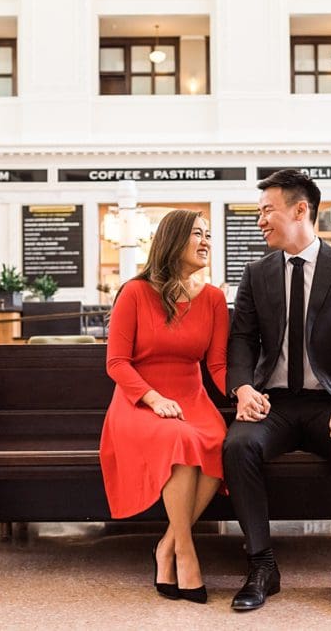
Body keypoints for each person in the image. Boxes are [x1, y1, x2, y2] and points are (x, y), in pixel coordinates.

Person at [224, 169, 331, 614]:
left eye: (266, 210)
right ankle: (261, 565)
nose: (260, 221)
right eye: (259, 212)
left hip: (329, 403)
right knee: (237, 445)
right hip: (273, 403)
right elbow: (241, 338)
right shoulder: (257, 273)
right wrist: (241, 389)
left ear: (300, 210)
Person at [98, 209, 228, 605]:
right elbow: (116, 362)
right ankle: (187, 554)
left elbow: (217, 365)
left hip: (192, 398)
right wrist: (153, 399)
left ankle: (167, 546)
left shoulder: (214, 298)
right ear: (172, 240)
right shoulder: (134, 293)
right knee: (180, 441)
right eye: (196, 234)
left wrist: (243, 394)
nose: (206, 241)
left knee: (221, 441)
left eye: (208, 234)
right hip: (140, 402)